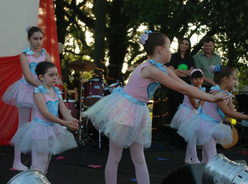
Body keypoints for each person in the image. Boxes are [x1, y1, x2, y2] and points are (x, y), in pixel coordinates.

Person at [84, 31, 232, 184]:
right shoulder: (151, 69)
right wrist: (212, 97)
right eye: (169, 47)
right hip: (125, 110)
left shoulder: (163, 69)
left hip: (138, 110)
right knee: (115, 156)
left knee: (139, 157)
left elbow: (184, 84)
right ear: (161, 49)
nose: (171, 51)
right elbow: (182, 90)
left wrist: (211, 97)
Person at [178, 65, 248, 163]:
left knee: (207, 157)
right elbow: (227, 112)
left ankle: (203, 175)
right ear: (225, 79)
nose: (235, 81)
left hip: (213, 126)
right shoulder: (216, 93)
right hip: (205, 126)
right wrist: (246, 117)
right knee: (212, 156)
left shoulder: (226, 94)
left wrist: (246, 115)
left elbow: (232, 112)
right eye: (233, 78)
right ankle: (209, 175)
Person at [10, 61, 78, 175]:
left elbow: (63, 109)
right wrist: (63, 123)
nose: (55, 77)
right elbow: (45, 114)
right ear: (41, 77)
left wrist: (71, 119)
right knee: (41, 160)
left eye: (56, 75)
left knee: (47, 160)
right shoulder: (38, 94)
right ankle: (35, 181)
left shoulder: (56, 92)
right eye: (51, 75)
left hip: (52, 129)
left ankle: (42, 180)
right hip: (40, 129)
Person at [2, 26, 52, 171]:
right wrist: (41, 87)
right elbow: (28, 75)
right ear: (28, 39)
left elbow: (50, 71)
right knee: (23, 125)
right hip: (26, 90)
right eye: (35, 39)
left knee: (37, 125)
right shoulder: (25, 55)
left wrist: (47, 87)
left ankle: (35, 163)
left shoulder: (45, 54)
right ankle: (17, 161)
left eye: (40, 39)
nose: (38, 42)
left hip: (39, 91)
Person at [165, 37, 196, 147]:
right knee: (174, 111)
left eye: (186, 44)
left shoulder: (190, 59)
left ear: (188, 46)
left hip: (186, 87)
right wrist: (185, 72)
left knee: (186, 112)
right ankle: (173, 138)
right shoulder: (173, 57)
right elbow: (171, 71)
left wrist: (179, 71)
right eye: (182, 43)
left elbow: (192, 73)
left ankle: (183, 139)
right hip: (174, 87)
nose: (183, 45)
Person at [170, 69, 205, 164]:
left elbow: (201, 104)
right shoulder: (190, 89)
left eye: (200, 78)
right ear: (191, 80)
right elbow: (195, 105)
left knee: (192, 137)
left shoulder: (202, 89)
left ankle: (187, 158)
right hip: (188, 113)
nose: (198, 81)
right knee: (192, 137)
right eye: (195, 78)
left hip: (195, 112)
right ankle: (194, 159)